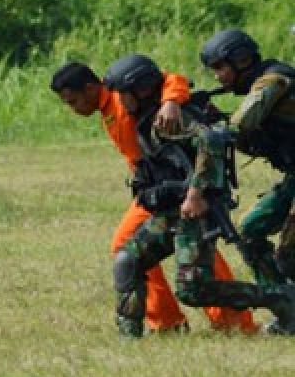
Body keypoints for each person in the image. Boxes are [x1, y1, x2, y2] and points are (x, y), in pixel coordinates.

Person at [50, 62, 254, 334]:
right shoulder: (108, 106)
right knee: (173, 248)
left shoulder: (121, 95)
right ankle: (173, 321)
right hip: (155, 191)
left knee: (190, 249)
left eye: (73, 101)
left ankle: (224, 322)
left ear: (90, 88)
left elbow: (173, 78)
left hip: (175, 186)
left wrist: (170, 103)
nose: (73, 109)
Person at [100, 54, 295, 337]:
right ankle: (128, 338)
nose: (119, 100)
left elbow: (212, 140)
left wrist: (195, 194)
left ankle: (278, 298)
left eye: (123, 94)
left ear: (140, 90)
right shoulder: (147, 116)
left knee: (193, 290)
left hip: (197, 211)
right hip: (171, 211)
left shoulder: (174, 117)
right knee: (127, 260)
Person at [191, 29, 295, 293]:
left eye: (219, 67)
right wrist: (214, 120)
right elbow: (254, 140)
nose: (217, 77)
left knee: (290, 255)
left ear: (242, 60)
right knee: (249, 231)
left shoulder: (274, 79)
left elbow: (241, 125)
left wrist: (211, 129)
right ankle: (284, 306)